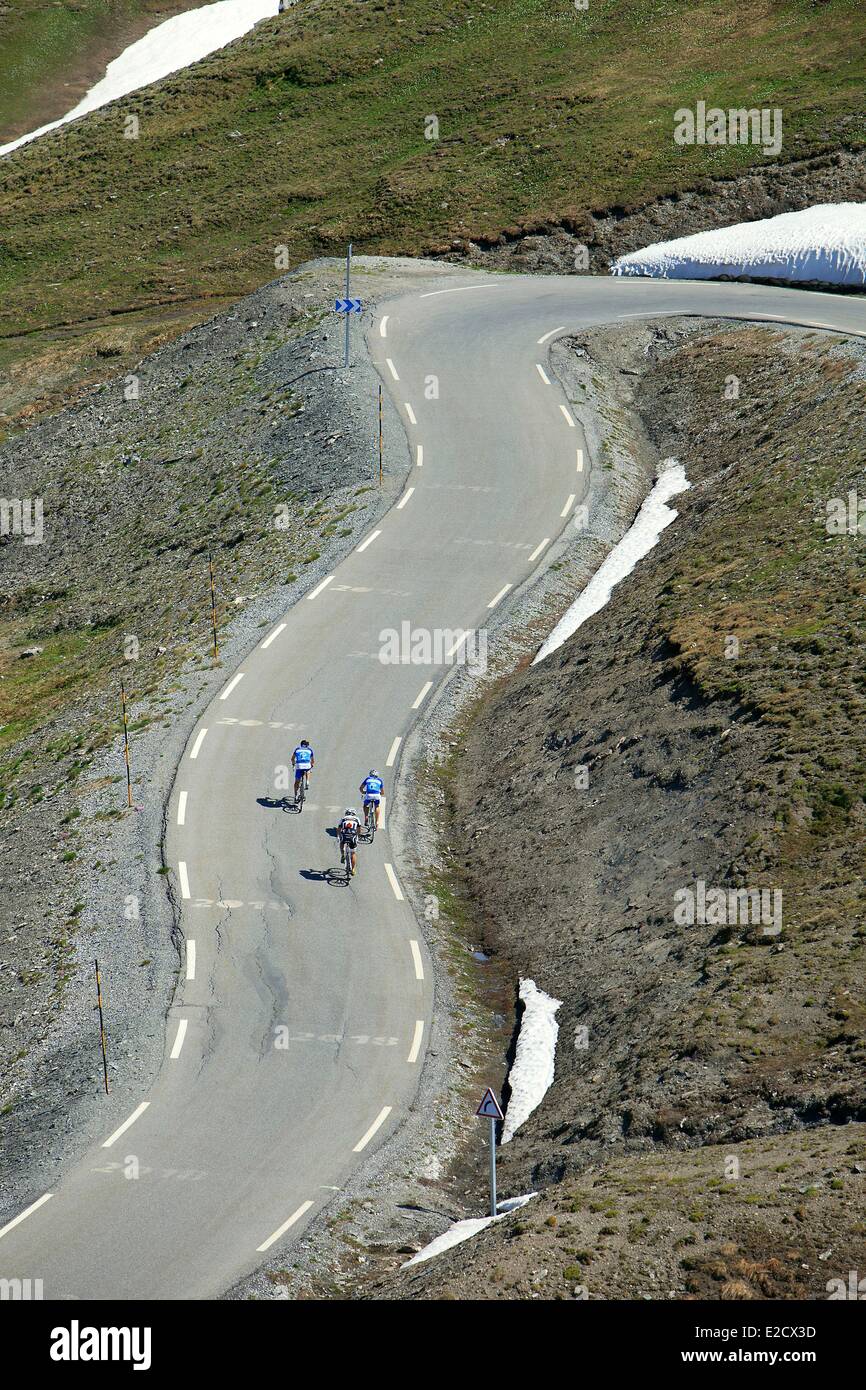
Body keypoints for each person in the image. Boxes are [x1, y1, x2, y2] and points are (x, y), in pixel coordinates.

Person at [338, 807, 361, 875]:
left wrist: (338, 837)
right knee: (353, 853)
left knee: (341, 842)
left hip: (344, 835)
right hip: (352, 836)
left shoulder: (343, 819)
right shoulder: (357, 819)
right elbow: (359, 830)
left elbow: (339, 829)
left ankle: (342, 854)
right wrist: (358, 836)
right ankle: (353, 869)